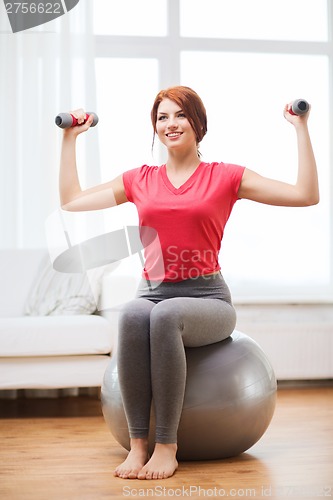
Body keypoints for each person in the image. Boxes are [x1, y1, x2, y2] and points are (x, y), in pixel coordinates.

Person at [59, 86, 319, 480]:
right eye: (162, 117)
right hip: (150, 293)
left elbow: (305, 195)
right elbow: (72, 200)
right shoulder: (140, 180)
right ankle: (139, 445)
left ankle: (167, 446)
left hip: (208, 299)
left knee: (165, 317)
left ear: (198, 123)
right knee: (132, 314)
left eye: (179, 115)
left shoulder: (225, 176)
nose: (170, 124)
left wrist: (301, 127)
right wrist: (69, 138)